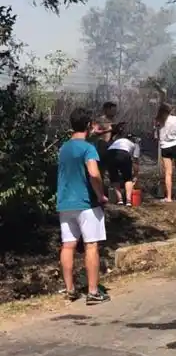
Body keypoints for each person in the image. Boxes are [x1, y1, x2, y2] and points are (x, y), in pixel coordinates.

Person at [57, 108, 111, 305]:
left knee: (68, 245)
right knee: (91, 245)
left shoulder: (63, 148)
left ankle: (70, 289)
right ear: (89, 125)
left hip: (65, 204)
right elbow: (94, 173)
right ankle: (93, 291)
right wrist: (100, 195)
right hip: (86, 204)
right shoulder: (89, 149)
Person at [155, 103, 176, 202]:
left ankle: (168, 198)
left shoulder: (158, 121)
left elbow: (156, 134)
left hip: (165, 147)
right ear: (170, 110)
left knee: (168, 173)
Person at [106, 125, 140, 205]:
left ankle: (120, 200)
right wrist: (135, 175)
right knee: (128, 178)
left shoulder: (118, 140)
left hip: (110, 154)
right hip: (123, 154)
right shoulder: (135, 145)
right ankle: (128, 201)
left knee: (114, 178)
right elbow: (135, 161)